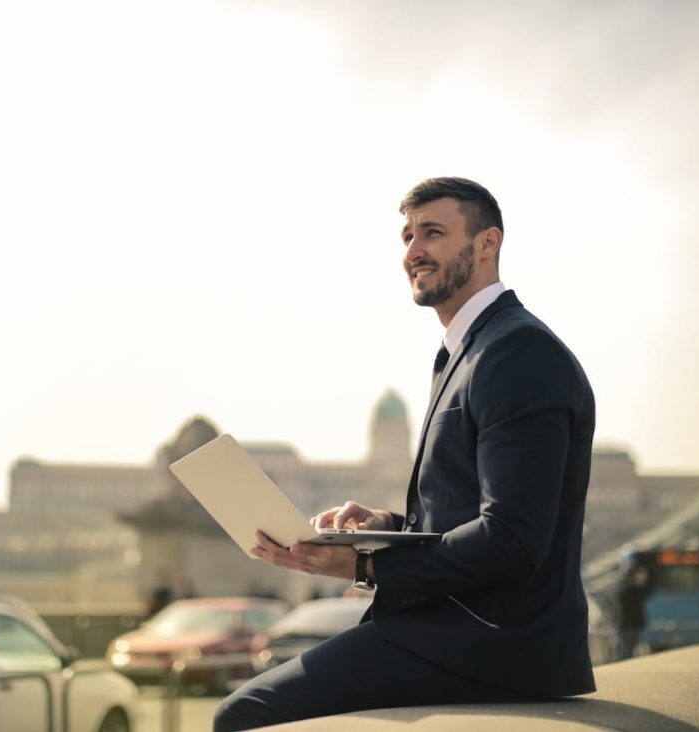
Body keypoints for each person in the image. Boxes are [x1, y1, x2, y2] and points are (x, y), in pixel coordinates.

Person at [214, 177, 597, 731]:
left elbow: (512, 538)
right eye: (408, 236)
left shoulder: (516, 352)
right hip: (460, 633)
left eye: (433, 233)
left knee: (244, 714)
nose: (413, 251)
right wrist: (384, 526)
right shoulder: (470, 351)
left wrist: (364, 563)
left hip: (491, 644)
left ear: (488, 243)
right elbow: (474, 512)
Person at [618, 566, 651, 659]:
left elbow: (647, 592)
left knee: (633, 648)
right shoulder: (628, 589)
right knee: (628, 649)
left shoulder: (638, 589)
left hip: (635, 623)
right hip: (628, 624)